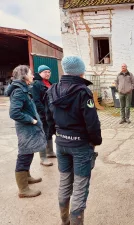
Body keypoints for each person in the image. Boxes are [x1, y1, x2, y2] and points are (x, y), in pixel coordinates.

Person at [46, 56, 102, 224]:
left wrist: (55, 135)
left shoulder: (52, 90)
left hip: (61, 143)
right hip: (80, 145)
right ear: (80, 71)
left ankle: (65, 221)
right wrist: (95, 141)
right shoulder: (83, 92)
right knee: (79, 186)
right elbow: (91, 122)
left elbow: (48, 118)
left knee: (64, 182)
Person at [5, 65, 47, 198]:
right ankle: (23, 189)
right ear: (24, 76)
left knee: (28, 153)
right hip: (26, 129)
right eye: (30, 73)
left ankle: (27, 177)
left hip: (29, 129)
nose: (33, 76)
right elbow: (14, 113)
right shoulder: (19, 91)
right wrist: (31, 120)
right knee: (24, 155)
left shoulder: (24, 88)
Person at [31, 65, 55, 167]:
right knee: (43, 134)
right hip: (42, 113)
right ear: (40, 73)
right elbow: (36, 100)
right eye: (45, 72)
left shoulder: (49, 83)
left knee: (49, 131)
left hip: (50, 113)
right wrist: (43, 112)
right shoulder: (36, 84)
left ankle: (50, 152)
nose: (47, 74)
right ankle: (43, 157)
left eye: (49, 72)